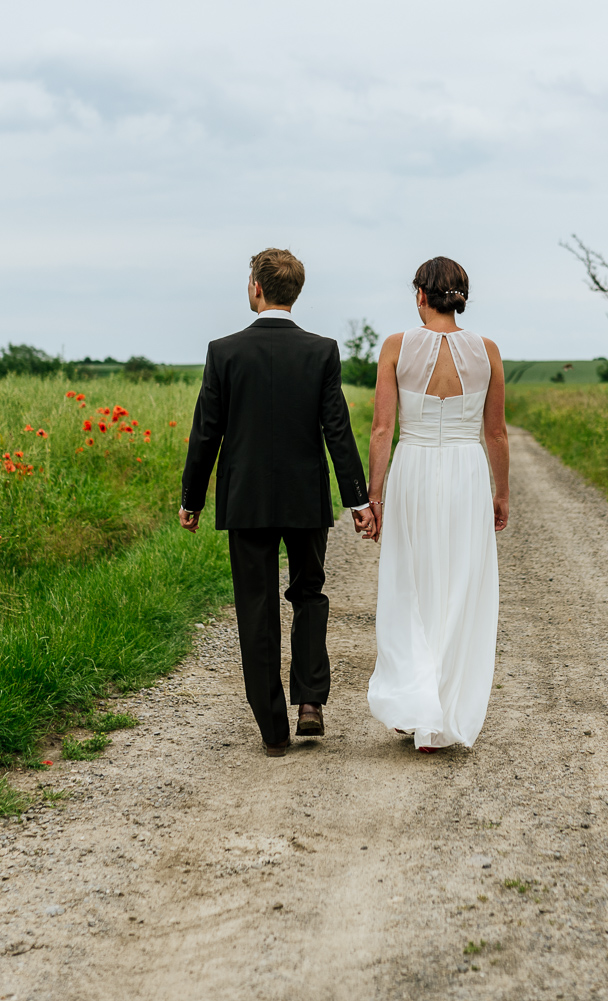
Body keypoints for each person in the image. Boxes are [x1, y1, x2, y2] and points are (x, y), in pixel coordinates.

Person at [179, 248, 375, 757]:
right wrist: (358, 500)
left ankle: (272, 728)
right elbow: (338, 430)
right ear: (295, 292)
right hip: (305, 496)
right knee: (309, 593)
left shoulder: (223, 352)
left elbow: (206, 434)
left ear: (257, 289)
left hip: (246, 500)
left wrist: (191, 498)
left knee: (257, 606)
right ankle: (310, 702)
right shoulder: (321, 351)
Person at [364, 256, 508, 752]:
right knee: (460, 584)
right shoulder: (487, 350)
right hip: (468, 471)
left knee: (411, 581)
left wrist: (374, 495)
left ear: (420, 295)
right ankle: (440, 711)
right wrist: (502, 492)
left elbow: (383, 429)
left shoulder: (397, 347)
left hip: (415, 469)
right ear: (461, 296)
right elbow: (496, 433)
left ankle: (415, 704)